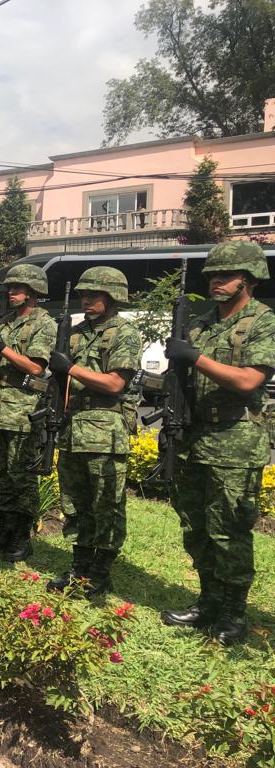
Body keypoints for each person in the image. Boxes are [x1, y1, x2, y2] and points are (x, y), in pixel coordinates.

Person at [160, 242, 275, 645]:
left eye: (224, 276)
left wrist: (194, 357)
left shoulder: (263, 322)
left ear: (248, 279)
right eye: (211, 276)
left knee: (229, 530)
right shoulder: (203, 324)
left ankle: (233, 614)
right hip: (194, 437)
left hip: (235, 442)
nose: (216, 282)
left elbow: (248, 381)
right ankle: (208, 600)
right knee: (196, 527)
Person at [47, 267, 142, 598]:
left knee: (106, 504)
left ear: (112, 297)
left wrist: (70, 367)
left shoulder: (124, 334)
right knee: (75, 503)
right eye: (84, 295)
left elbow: (116, 383)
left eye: (94, 295)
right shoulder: (74, 333)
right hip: (73, 428)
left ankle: (101, 571)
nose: (86, 300)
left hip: (105, 432)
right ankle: (80, 565)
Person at [0, 264, 56, 562]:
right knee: (3, 474)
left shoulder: (44, 324)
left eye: (18, 289)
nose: (12, 293)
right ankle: (5, 531)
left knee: (22, 476)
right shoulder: (5, 321)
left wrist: (2, 348)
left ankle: (22, 537)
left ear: (34, 293)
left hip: (25, 410)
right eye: (11, 288)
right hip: (0, 408)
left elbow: (37, 367)